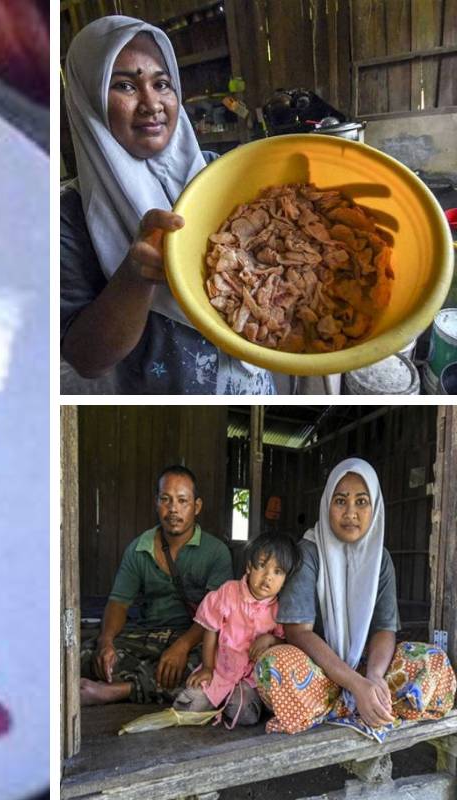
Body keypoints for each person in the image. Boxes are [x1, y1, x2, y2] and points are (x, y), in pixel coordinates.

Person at [59, 15, 276, 394]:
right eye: (125, 85)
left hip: (256, 385)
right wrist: (134, 276)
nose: (152, 103)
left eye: (162, 84)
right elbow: (87, 360)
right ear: (88, 97)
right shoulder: (71, 215)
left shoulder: (218, 174)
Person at [255, 458, 456, 741]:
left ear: (374, 507)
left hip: (364, 666)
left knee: (433, 660)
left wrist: (372, 677)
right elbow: (298, 633)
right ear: (327, 505)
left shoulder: (381, 559)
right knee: (273, 664)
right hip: (319, 672)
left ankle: (347, 706)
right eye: (340, 501)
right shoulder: (308, 553)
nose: (350, 512)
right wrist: (355, 685)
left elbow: (384, 629)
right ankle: (364, 704)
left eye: (362, 502)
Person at [81, 465, 234, 705]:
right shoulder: (139, 548)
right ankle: (144, 679)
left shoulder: (216, 553)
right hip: (148, 635)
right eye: (166, 499)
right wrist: (107, 642)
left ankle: (120, 690)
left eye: (183, 501)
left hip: (194, 639)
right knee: (84, 655)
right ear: (157, 502)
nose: (173, 508)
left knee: (213, 669)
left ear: (197, 507)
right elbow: (119, 603)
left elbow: (216, 619)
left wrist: (182, 646)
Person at [173, 532, 300, 726]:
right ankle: (214, 699)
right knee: (186, 708)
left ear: (285, 579)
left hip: (250, 681)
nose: (268, 577)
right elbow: (211, 629)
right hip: (220, 670)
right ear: (249, 566)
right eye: (262, 565)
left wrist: (271, 640)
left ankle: (226, 705)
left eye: (278, 572)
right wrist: (207, 668)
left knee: (245, 715)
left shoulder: (281, 609)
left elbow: (286, 643)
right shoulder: (228, 592)